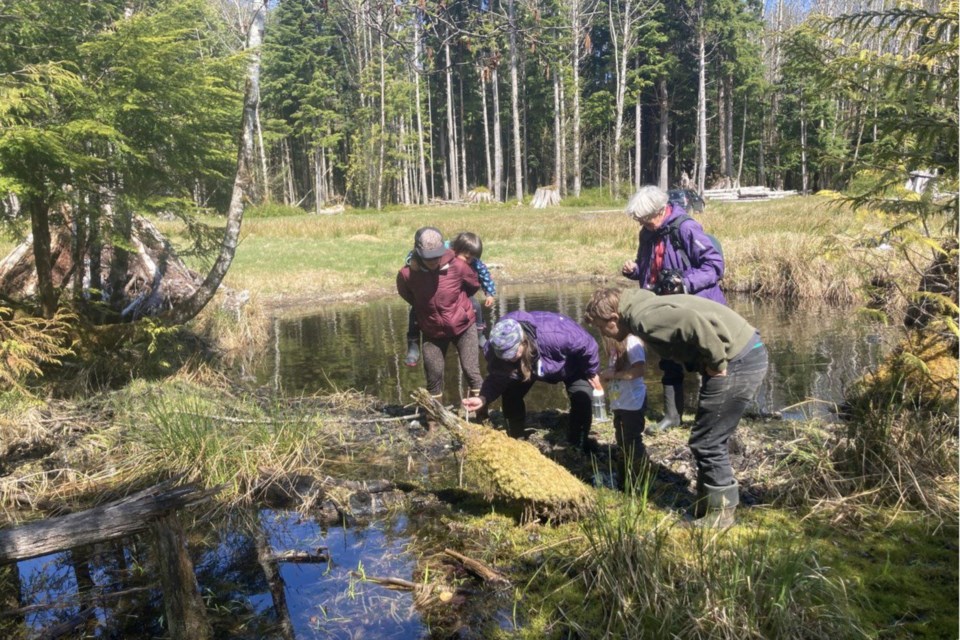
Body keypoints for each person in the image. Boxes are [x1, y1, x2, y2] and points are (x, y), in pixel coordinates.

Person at [584, 287, 768, 528]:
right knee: (706, 436)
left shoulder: (643, 318)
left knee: (707, 441)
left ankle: (721, 515)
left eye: (600, 326)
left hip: (738, 359)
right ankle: (706, 504)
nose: (601, 331)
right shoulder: (640, 306)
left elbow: (691, 321)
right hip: (744, 350)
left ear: (614, 318)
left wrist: (716, 362)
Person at [620, 185, 725, 433]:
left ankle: (710, 418)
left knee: (706, 360)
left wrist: (685, 283)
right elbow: (647, 267)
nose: (642, 224)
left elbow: (715, 266)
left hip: (696, 306)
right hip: (664, 305)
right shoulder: (646, 234)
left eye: (645, 219)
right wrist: (633, 270)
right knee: (668, 360)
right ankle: (672, 416)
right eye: (639, 220)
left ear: (660, 211)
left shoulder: (686, 228)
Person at [461, 312, 602, 451]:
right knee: (510, 393)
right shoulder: (497, 348)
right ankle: (516, 438)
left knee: (582, 398)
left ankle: (577, 443)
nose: (508, 359)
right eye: (504, 356)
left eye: (511, 354)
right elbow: (498, 377)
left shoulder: (557, 334)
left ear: (523, 341)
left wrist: (591, 371)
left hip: (569, 365)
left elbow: (588, 345)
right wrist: (483, 398)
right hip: (527, 367)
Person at [397, 227, 483, 420]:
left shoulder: (458, 266)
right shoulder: (406, 274)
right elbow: (408, 295)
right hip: (432, 331)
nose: (434, 261)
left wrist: (458, 308)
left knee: (471, 371)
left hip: (463, 326)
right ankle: (434, 423)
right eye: (429, 258)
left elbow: (473, 285)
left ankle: (481, 417)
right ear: (418, 252)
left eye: (437, 256)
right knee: (433, 376)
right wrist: (426, 309)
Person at [404, 231, 497, 366]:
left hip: (459, 291)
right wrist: (411, 261)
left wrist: (489, 293)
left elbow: (483, 274)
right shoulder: (443, 249)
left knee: (475, 305)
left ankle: (480, 333)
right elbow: (415, 253)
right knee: (415, 311)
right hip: (432, 289)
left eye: (472, 259)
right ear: (456, 249)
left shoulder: (472, 261)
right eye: (466, 257)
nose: (469, 261)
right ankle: (413, 343)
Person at [598, 331, 648, 487]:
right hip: (620, 403)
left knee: (632, 440)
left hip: (633, 402)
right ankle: (624, 481)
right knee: (621, 441)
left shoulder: (632, 341)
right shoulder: (615, 348)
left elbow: (639, 371)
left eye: (601, 326)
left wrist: (613, 375)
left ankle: (639, 481)